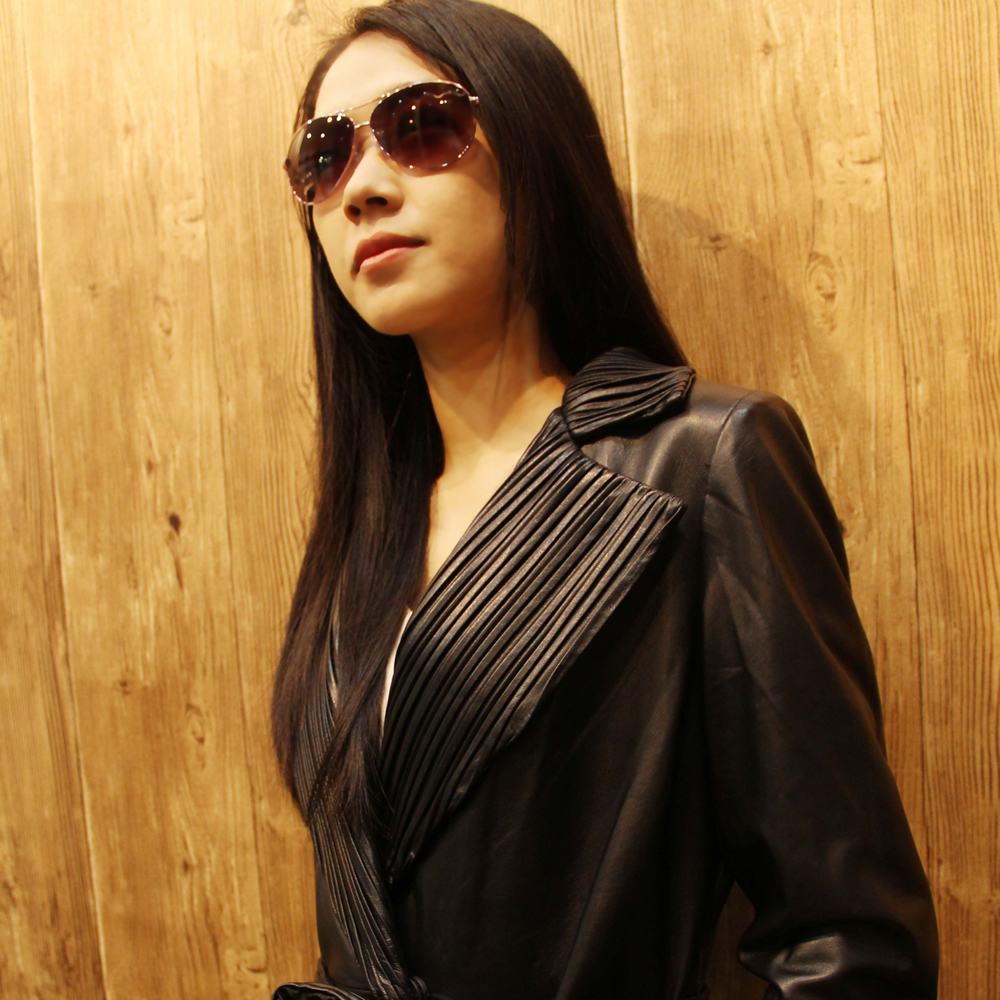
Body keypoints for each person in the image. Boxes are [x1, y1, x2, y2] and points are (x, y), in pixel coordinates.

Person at [269, 1, 939, 997]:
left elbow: (850, 942)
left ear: (538, 158)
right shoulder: (366, 537)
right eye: (324, 159)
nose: (361, 187)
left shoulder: (700, 463)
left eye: (422, 127)